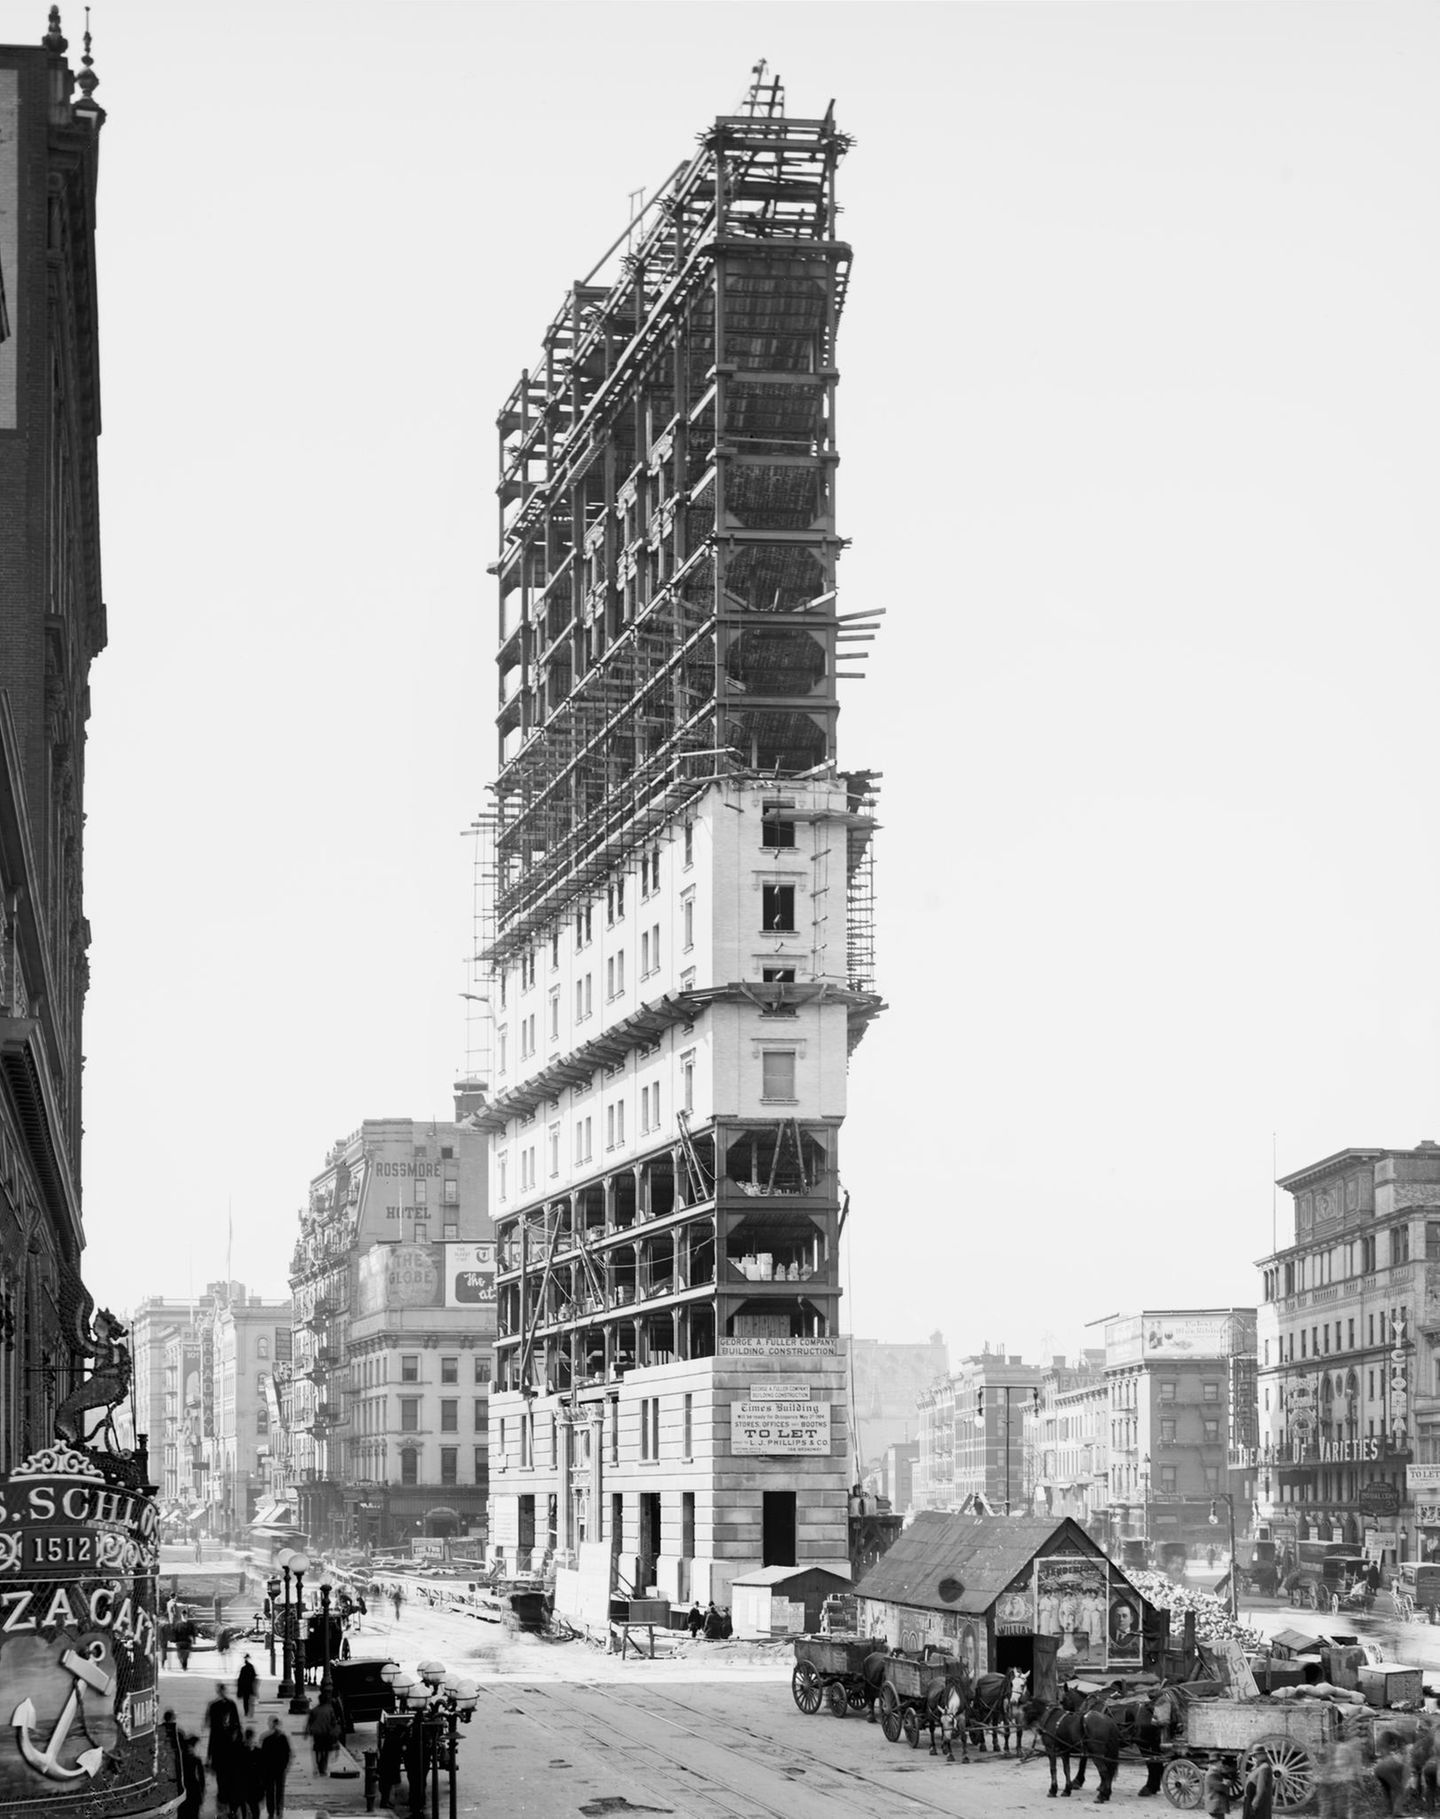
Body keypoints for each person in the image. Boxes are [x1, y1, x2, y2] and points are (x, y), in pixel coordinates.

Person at [258, 1716, 291, 1819]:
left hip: (269, 1769)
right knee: (279, 1791)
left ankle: (271, 1811)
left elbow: (262, 1756)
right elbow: (287, 1754)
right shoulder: (283, 1738)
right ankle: (279, 1810)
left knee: (270, 1791)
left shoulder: (266, 1738)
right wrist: (285, 1766)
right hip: (280, 1769)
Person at [305, 1690, 341, 1777]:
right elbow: (333, 1722)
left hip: (317, 1733)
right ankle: (323, 1768)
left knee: (318, 1750)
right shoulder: (330, 1710)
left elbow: (309, 1722)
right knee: (326, 1750)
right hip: (326, 1733)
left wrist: (307, 1732)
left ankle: (318, 1765)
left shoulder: (314, 1710)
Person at [178, 1732, 206, 1819]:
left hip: (185, 1789)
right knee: (194, 1813)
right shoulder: (196, 1760)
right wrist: (202, 1793)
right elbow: (202, 1779)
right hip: (194, 1789)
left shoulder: (181, 1760)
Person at [238, 1727, 264, 1819]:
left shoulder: (241, 1751)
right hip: (250, 1784)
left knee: (249, 1807)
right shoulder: (257, 1752)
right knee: (252, 1807)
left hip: (248, 1784)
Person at [236, 1654, 258, 1720]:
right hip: (249, 1686)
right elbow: (254, 1677)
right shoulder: (251, 1667)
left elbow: (240, 1679)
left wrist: (239, 1688)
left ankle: (246, 1712)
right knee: (249, 1700)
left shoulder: (243, 1668)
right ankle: (249, 1712)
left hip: (245, 1687)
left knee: (246, 1700)